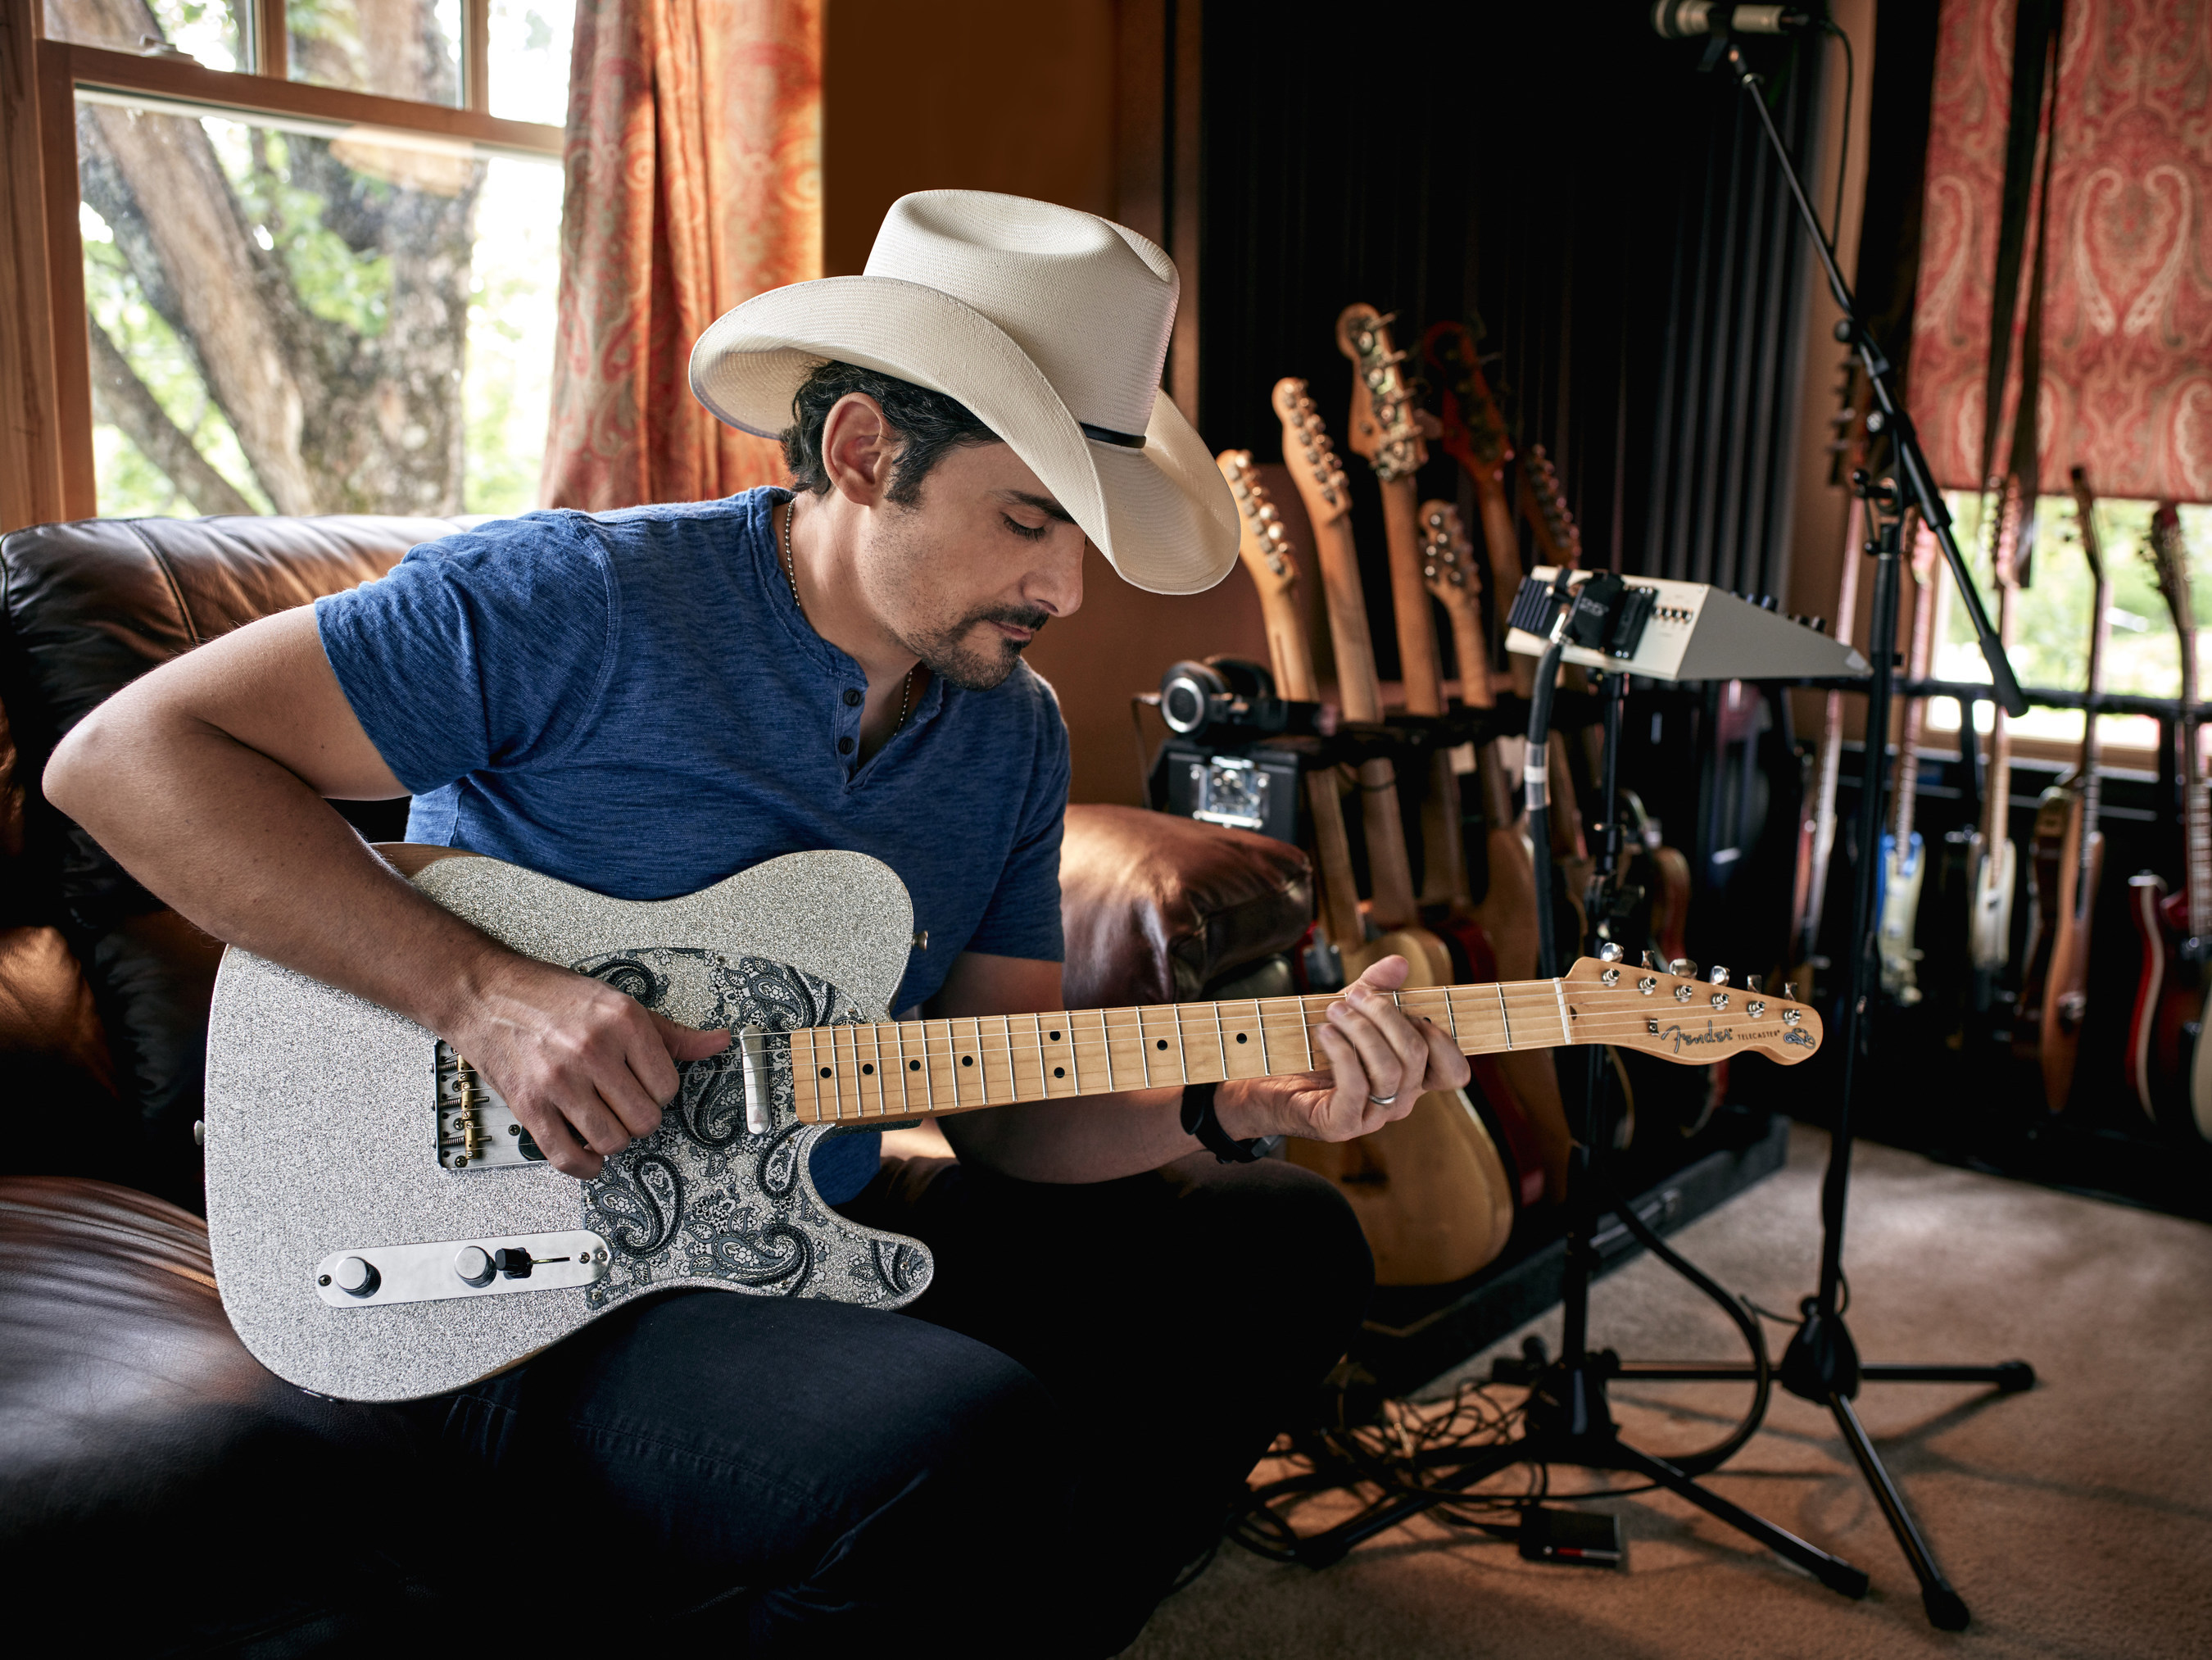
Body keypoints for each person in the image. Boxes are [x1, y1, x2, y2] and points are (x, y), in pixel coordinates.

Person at [47, 190, 1471, 1654]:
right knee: (955, 1436)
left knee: (1278, 1238)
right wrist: (483, 993)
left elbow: (1004, 1101)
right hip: (500, 1256)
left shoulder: (1010, 733)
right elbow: (122, 759)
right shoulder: (580, 600)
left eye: (1080, 539)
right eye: (1028, 517)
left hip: (799, 1215)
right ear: (863, 452)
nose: (1060, 587)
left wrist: (1231, 1099)